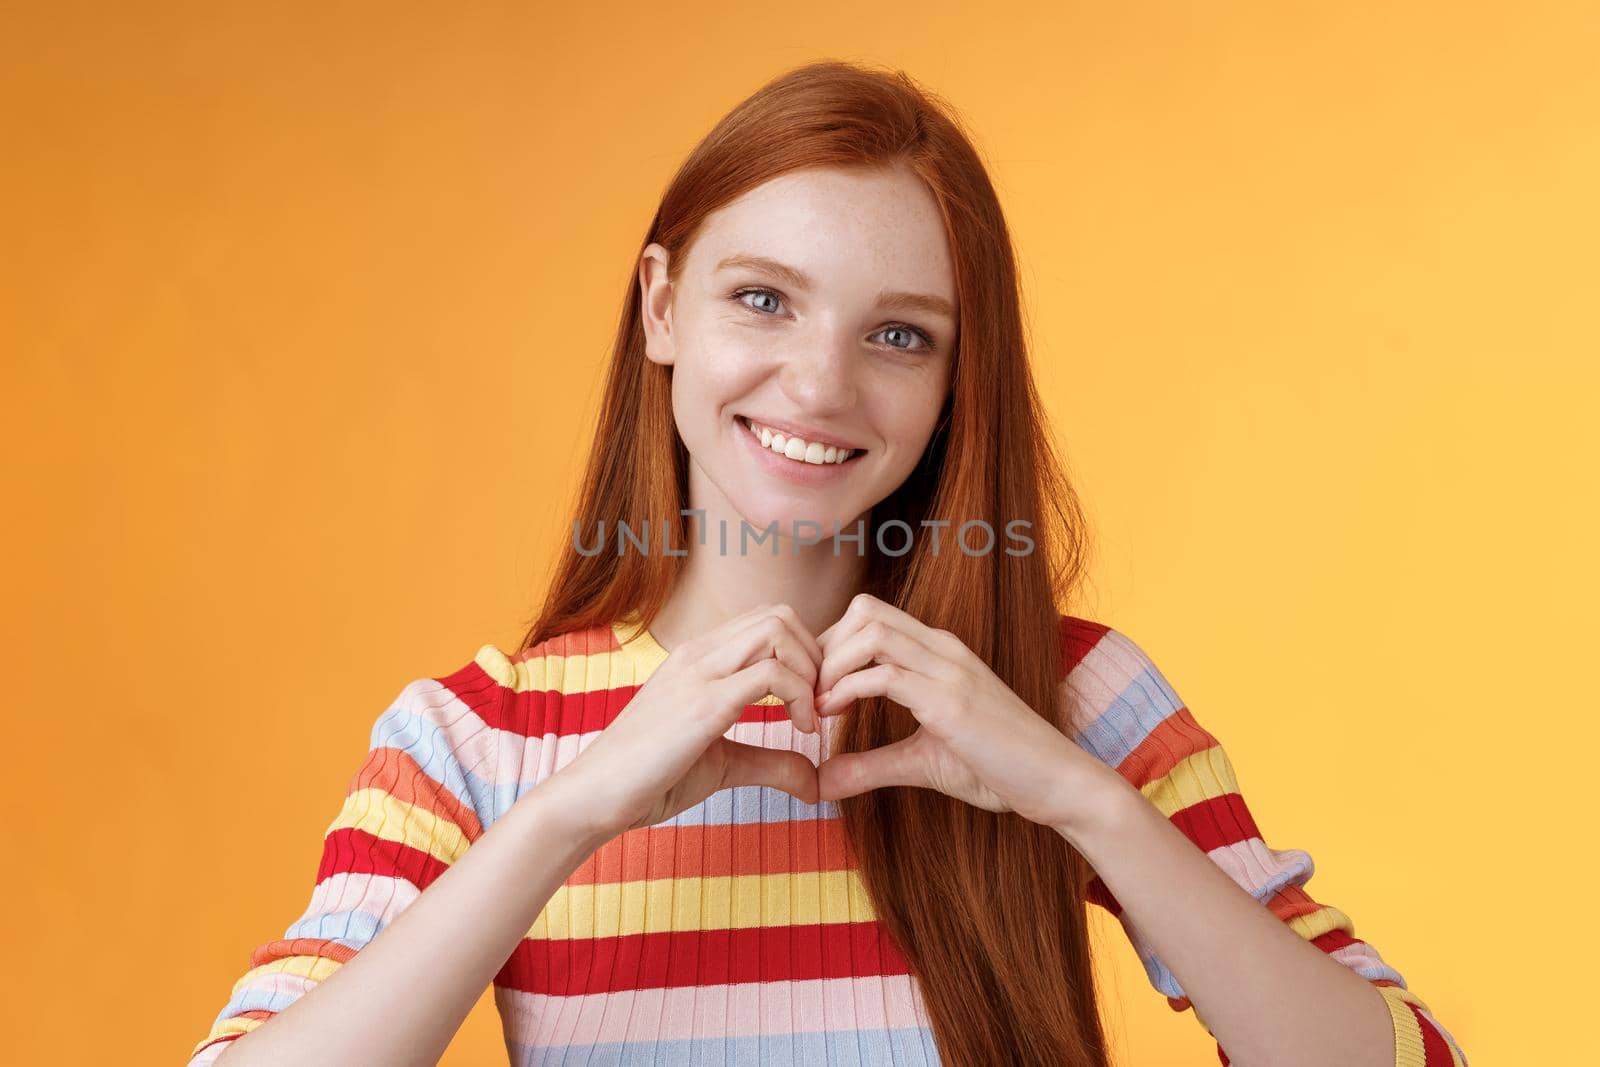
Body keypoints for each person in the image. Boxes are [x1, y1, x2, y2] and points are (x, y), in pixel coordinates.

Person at [188, 60, 1468, 1067]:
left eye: (899, 334)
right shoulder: (472, 740)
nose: (819, 382)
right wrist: (568, 813)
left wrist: (1084, 804)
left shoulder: (1073, 701)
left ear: (956, 381)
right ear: (660, 306)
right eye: (762, 299)